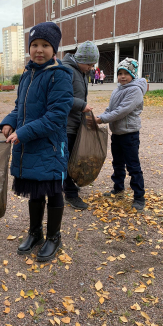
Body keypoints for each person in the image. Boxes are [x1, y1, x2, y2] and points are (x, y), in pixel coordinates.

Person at [0, 22, 74, 262]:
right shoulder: (27, 74)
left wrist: (23, 132)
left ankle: (54, 236)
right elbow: (20, 108)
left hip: (50, 146)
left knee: (52, 191)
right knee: (35, 191)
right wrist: (9, 122)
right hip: (30, 143)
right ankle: (35, 232)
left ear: (54, 49)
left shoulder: (59, 76)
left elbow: (56, 117)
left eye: (45, 45)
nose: (39, 50)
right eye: (34, 45)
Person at [95, 58, 147, 212]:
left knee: (133, 166)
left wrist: (102, 119)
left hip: (129, 134)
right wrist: (99, 115)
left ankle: (139, 196)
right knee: (117, 163)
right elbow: (111, 108)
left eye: (126, 73)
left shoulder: (135, 90)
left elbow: (122, 111)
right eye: (120, 73)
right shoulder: (118, 89)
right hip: (117, 133)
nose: (122, 76)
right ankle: (118, 188)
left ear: (133, 74)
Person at [62, 41, 100, 210]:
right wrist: (81, 105)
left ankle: (69, 186)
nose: (91, 68)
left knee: (74, 157)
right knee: (68, 159)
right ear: (81, 59)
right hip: (66, 125)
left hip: (76, 122)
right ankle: (70, 194)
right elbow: (60, 97)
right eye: (90, 64)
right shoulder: (67, 71)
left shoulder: (81, 71)